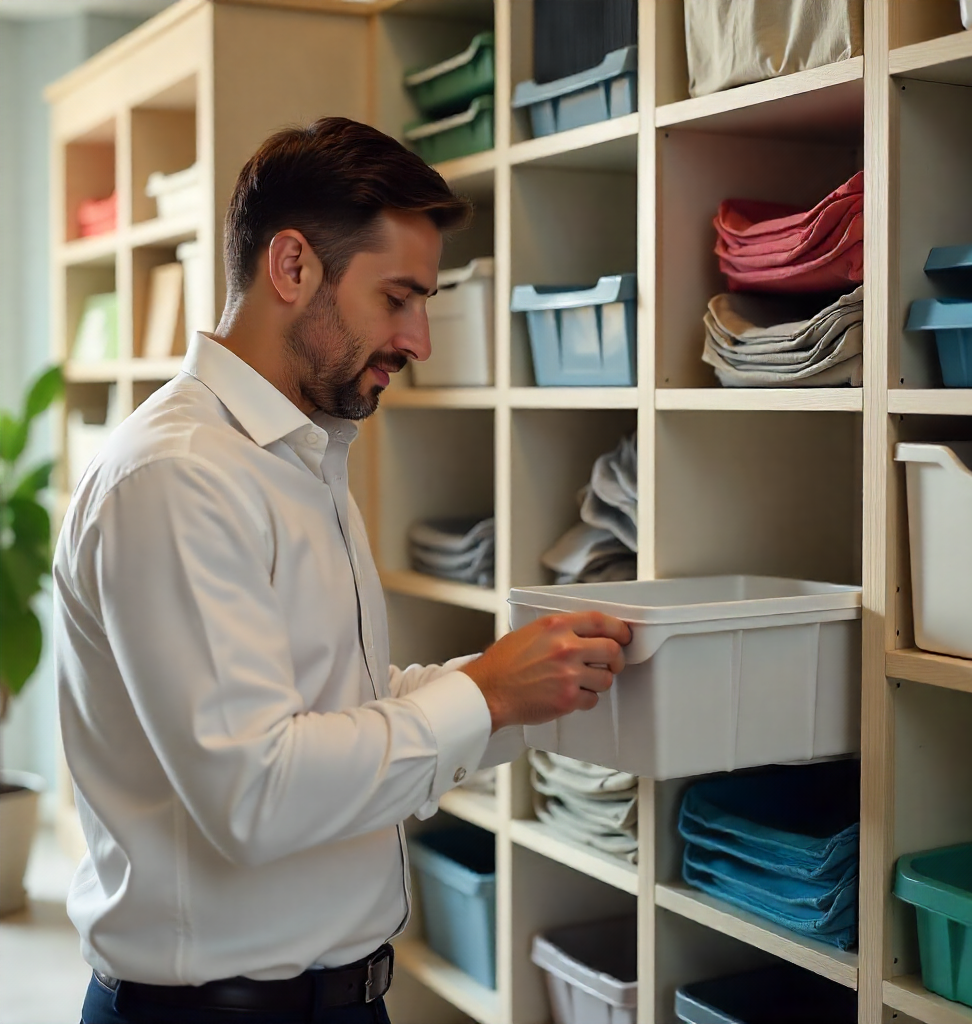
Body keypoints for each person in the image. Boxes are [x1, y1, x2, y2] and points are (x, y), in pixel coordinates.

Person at [54, 117, 631, 1024]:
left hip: (339, 999)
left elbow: (334, 708)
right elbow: (256, 793)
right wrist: (483, 694)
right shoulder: (177, 476)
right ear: (292, 267)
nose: (421, 339)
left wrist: (523, 690)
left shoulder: (301, 456)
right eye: (398, 298)